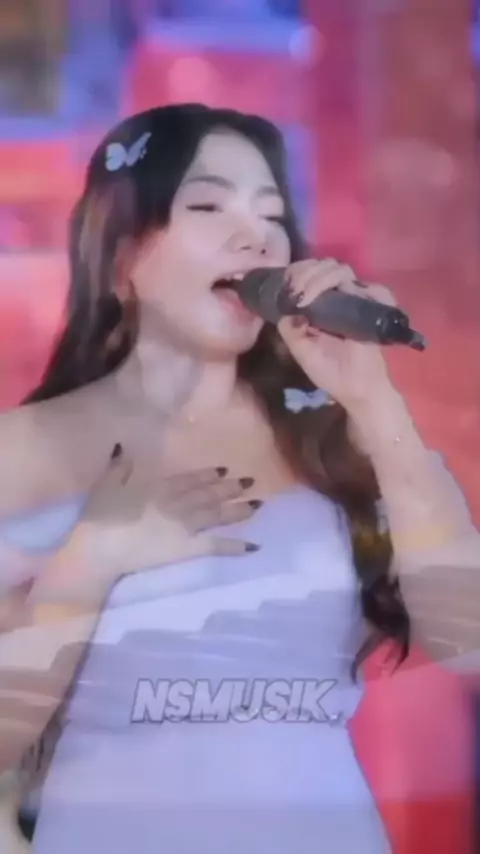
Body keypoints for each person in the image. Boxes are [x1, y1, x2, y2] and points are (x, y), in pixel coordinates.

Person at [0, 103, 478, 853]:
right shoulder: (26, 449)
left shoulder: (337, 434)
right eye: (208, 206)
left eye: (272, 214)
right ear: (121, 254)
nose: (256, 236)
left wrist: (374, 403)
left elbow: (466, 642)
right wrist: (90, 560)